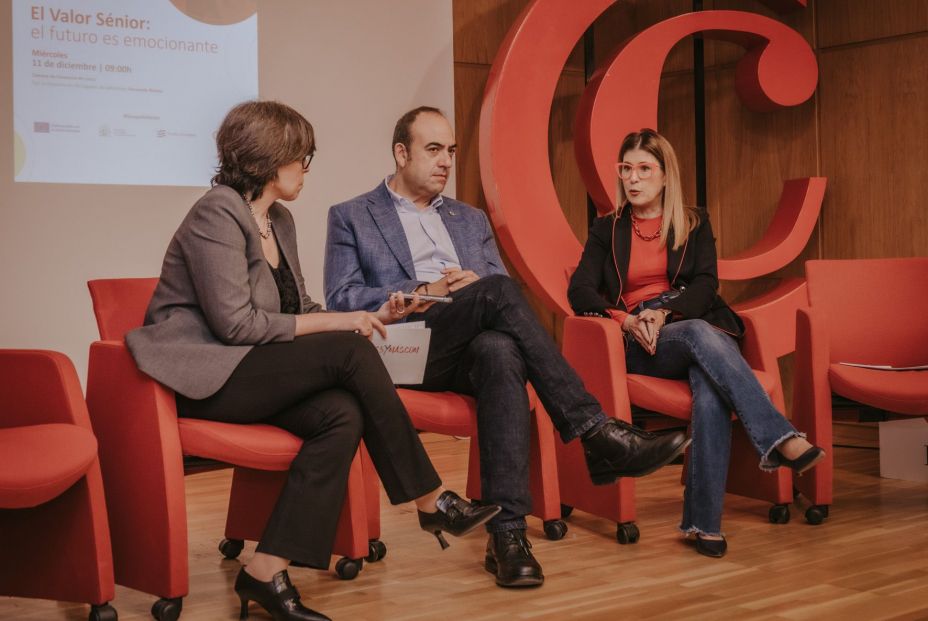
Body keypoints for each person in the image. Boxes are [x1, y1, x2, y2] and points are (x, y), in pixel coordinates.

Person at [126, 101, 500, 621]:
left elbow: (300, 309)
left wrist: (375, 313)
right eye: (301, 157)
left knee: (340, 413)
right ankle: (429, 500)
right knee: (348, 348)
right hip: (207, 376)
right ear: (268, 159)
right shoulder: (216, 212)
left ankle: (266, 570)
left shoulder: (279, 220)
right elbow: (236, 326)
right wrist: (344, 326)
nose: (306, 168)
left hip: (255, 370)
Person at [323, 106, 690, 588]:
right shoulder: (352, 215)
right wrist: (425, 291)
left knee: (500, 349)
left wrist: (473, 285)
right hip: (406, 347)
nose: (445, 162)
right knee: (496, 299)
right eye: (433, 150)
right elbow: (341, 298)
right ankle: (595, 433)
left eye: (450, 151)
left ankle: (508, 536)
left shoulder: (468, 218)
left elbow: (496, 288)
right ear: (400, 153)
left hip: (471, 342)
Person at [567, 128, 826, 558]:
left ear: (666, 175)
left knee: (709, 390)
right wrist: (629, 320)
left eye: (644, 169)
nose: (633, 179)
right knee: (700, 336)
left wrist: (665, 312)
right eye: (626, 169)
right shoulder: (606, 229)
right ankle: (779, 438)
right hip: (638, 344)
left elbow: (707, 284)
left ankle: (702, 524)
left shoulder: (693, 223)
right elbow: (580, 291)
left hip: (684, 327)